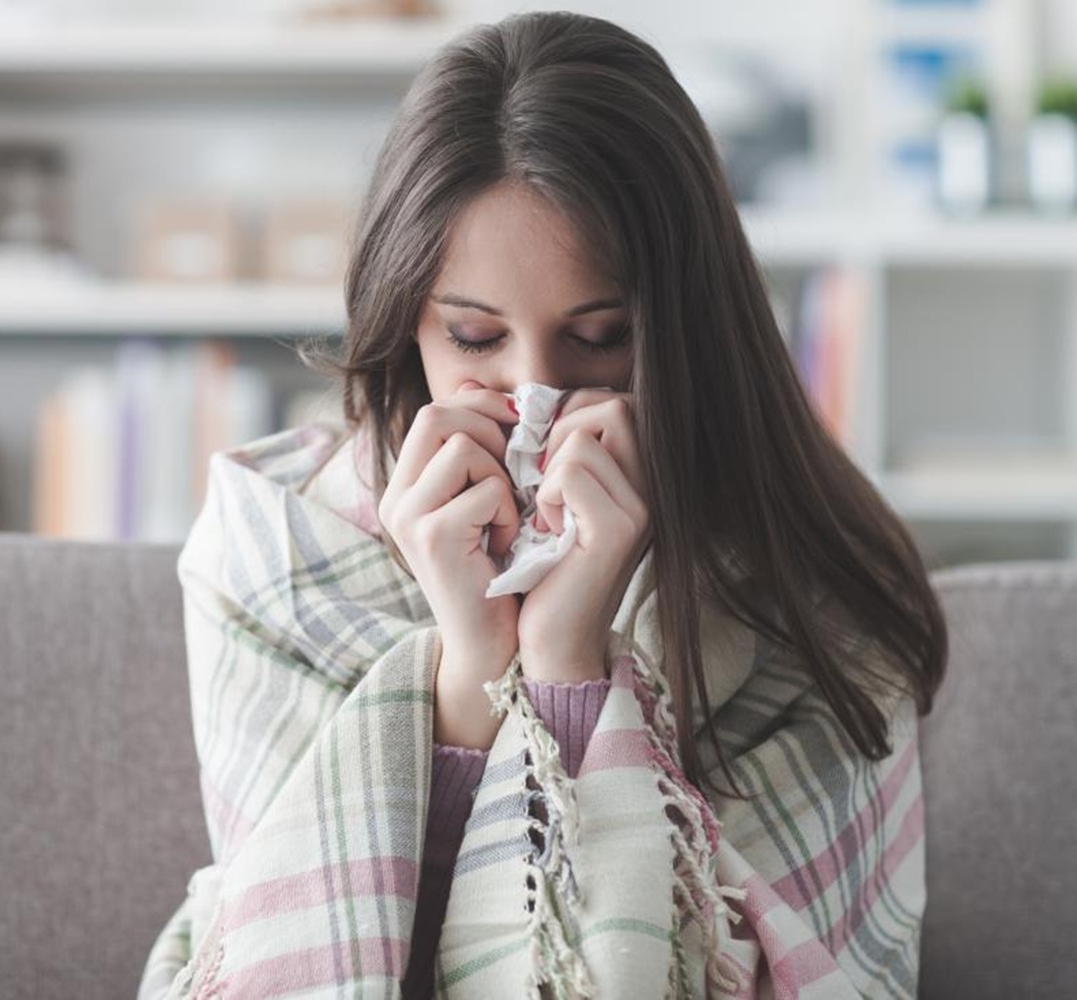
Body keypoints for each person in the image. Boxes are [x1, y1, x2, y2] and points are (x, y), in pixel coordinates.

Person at [140, 10, 946, 998]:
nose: (537, 399)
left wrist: (569, 660)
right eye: (476, 339)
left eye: (600, 337)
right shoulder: (275, 547)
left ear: (686, 329)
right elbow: (314, 949)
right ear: (405, 327)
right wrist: (470, 668)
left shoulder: (802, 579)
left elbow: (790, 968)